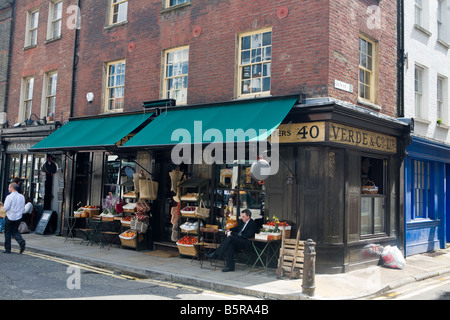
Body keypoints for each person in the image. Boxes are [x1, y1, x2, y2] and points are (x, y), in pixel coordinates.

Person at [3, 183, 26, 254]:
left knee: (7, 232)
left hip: (10, 216)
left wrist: (3, 209)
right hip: (18, 217)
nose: (8, 189)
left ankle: (8, 249)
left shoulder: (9, 197)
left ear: (12, 188)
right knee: (15, 231)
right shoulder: (22, 196)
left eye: (9, 188)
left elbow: (6, 207)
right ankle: (21, 241)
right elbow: (23, 208)